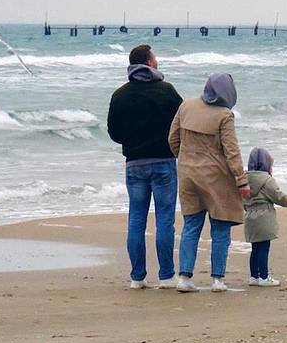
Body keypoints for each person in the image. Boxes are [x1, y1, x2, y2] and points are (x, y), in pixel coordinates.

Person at [106, 43, 183, 289]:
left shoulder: (120, 95)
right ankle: (166, 275)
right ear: (149, 63)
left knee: (136, 219)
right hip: (163, 160)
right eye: (155, 58)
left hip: (135, 162)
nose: (157, 62)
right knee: (164, 219)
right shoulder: (166, 90)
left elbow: (114, 133)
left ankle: (137, 277)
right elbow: (181, 121)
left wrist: (133, 139)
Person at [168, 72, 249, 292]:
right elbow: (232, 151)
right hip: (216, 178)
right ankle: (217, 280)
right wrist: (241, 181)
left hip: (187, 174)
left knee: (191, 226)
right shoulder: (225, 115)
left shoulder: (186, 106)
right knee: (220, 227)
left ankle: (184, 278)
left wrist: (185, 159)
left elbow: (172, 139)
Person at [243, 147, 287, 287]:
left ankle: (254, 276)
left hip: (250, 216)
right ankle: (264, 276)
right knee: (264, 247)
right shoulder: (267, 180)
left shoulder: (243, 179)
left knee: (255, 248)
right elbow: (278, 196)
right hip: (264, 217)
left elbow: (241, 198)